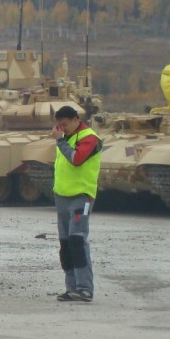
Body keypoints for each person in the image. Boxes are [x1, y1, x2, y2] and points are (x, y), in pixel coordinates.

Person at [51, 105, 102, 303]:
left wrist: (60, 141)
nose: (62, 128)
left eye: (65, 124)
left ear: (75, 120)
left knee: (77, 240)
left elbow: (76, 159)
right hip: (62, 196)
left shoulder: (89, 138)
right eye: (59, 125)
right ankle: (71, 288)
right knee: (65, 244)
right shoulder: (67, 137)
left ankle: (85, 288)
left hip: (82, 195)